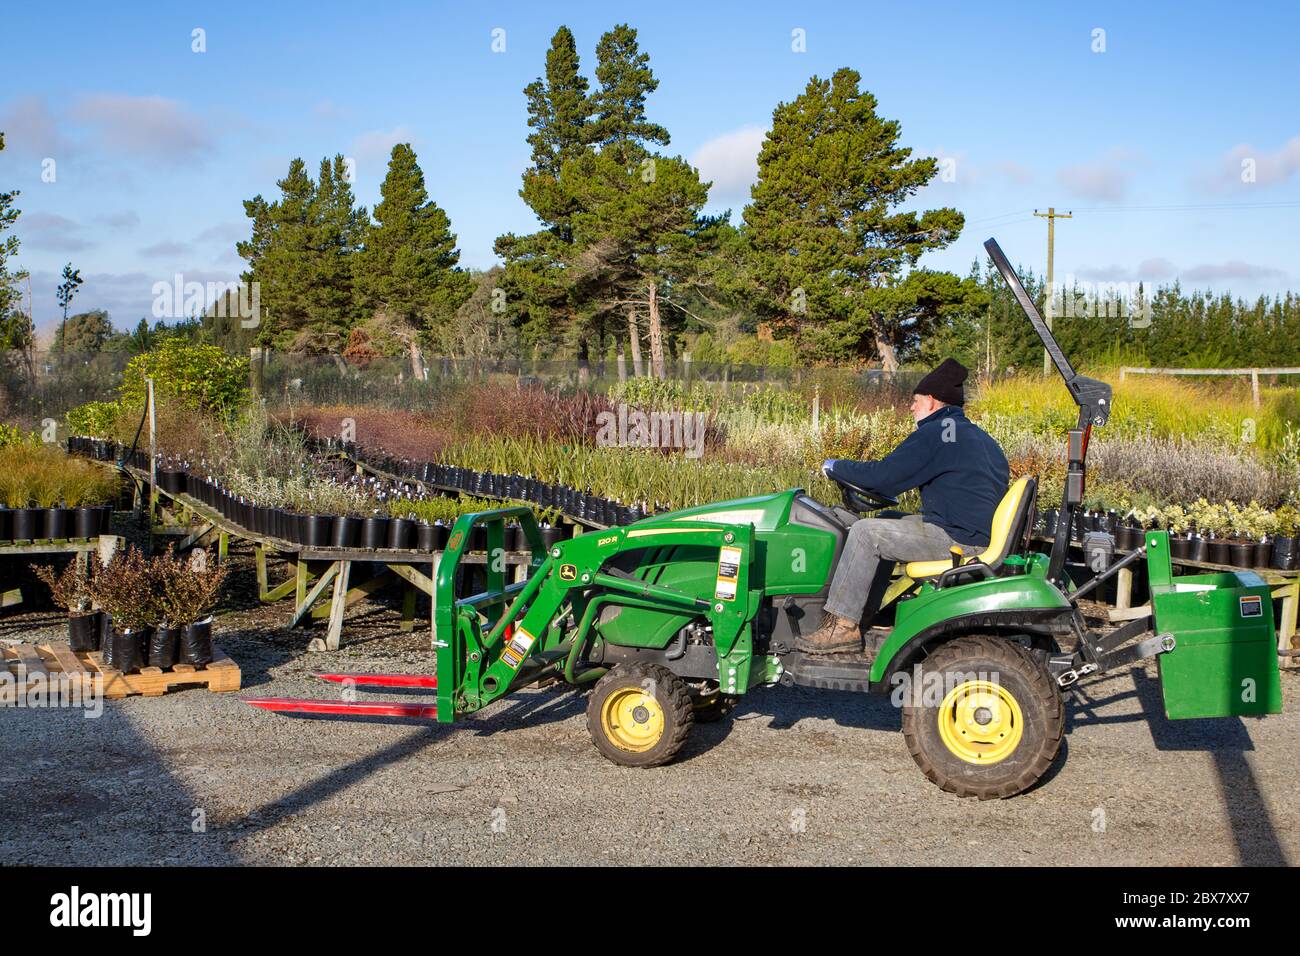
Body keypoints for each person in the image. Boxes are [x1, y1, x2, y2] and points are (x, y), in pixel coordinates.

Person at [798, 358, 1010, 655]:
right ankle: (866, 615)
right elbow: (896, 480)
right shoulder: (979, 437)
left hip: (960, 541)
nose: (911, 407)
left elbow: (883, 477)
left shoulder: (937, 433)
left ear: (932, 402)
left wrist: (834, 465)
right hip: (973, 533)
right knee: (889, 517)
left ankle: (841, 627)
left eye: (915, 401)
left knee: (865, 533)